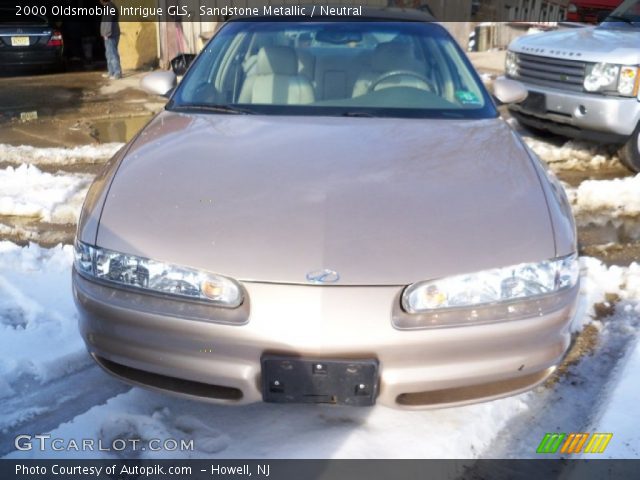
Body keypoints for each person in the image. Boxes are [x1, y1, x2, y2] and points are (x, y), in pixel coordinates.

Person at [100, 0, 121, 79]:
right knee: (109, 54)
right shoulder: (108, 7)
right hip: (109, 34)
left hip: (111, 35)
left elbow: (108, 22)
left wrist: (106, 33)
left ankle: (117, 73)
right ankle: (111, 72)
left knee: (112, 54)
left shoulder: (110, 7)